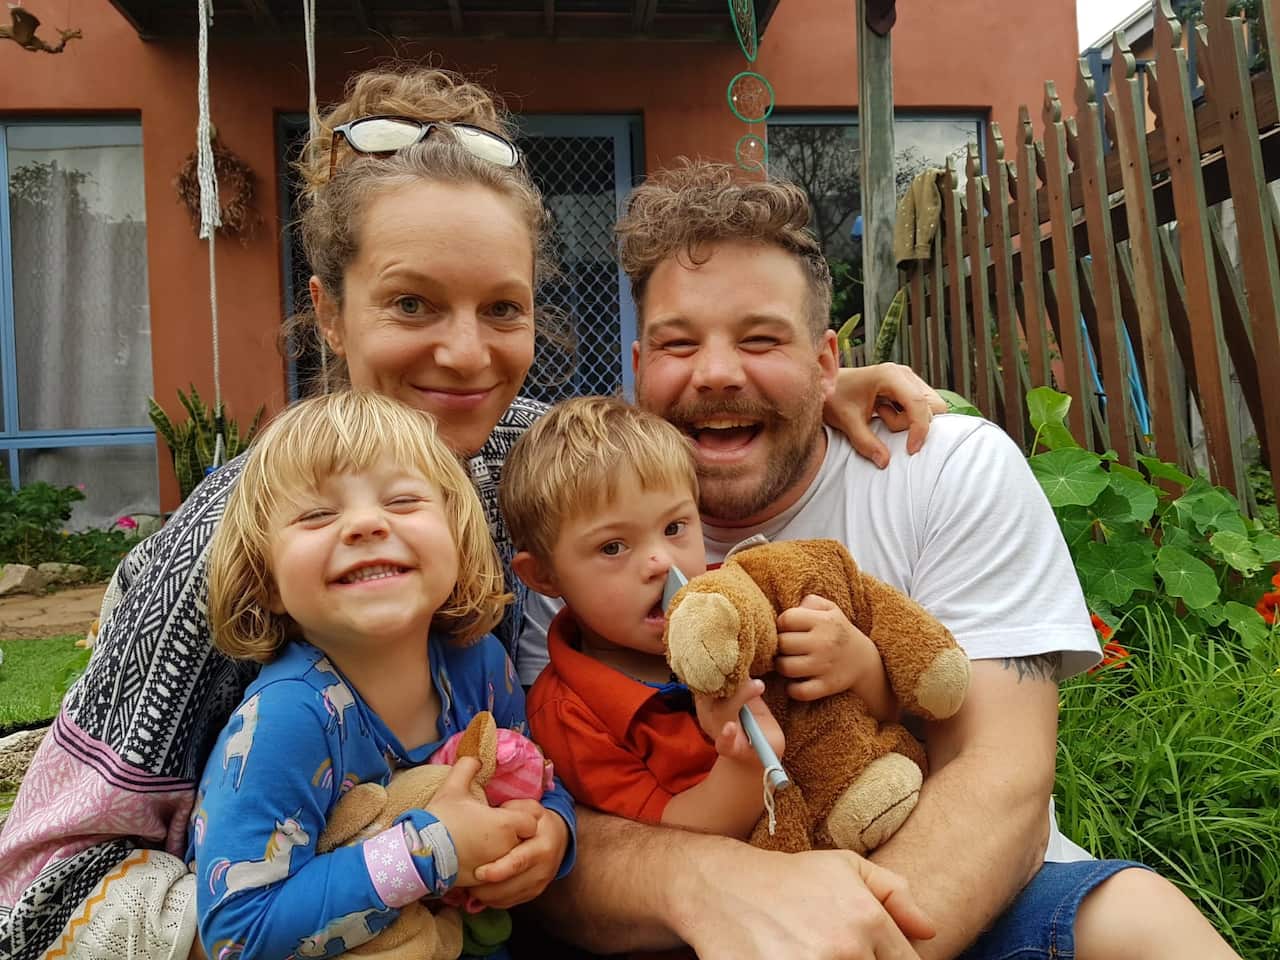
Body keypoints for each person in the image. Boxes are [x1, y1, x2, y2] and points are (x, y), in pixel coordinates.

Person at [0, 65, 941, 960]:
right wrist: (362, 896)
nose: (466, 355)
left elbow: (645, 456)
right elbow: (41, 888)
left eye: (502, 309)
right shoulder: (225, 537)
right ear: (328, 312)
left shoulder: (526, 453)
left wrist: (818, 389)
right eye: (412, 303)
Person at [530, 160, 1243, 960]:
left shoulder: (944, 467)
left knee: (1145, 925)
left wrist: (857, 946)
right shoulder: (574, 533)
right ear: (637, 367)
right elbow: (563, 834)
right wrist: (717, 891)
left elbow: (999, 773)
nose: (718, 372)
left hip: (956, 891)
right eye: (678, 344)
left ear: (828, 362)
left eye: (762, 339)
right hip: (702, 920)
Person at [191, 389, 575, 959]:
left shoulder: (482, 667)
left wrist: (554, 831)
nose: (367, 524)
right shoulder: (286, 720)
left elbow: (536, 774)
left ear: (459, 541)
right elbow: (235, 932)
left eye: (401, 501)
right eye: (319, 514)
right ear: (266, 581)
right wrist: (430, 851)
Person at [503, 395, 904, 845]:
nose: (660, 561)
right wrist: (744, 762)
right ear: (544, 575)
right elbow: (671, 839)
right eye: (613, 547)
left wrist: (860, 664)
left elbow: (891, 711)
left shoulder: (740, 599)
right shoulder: (567, 714)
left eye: (675, 528)